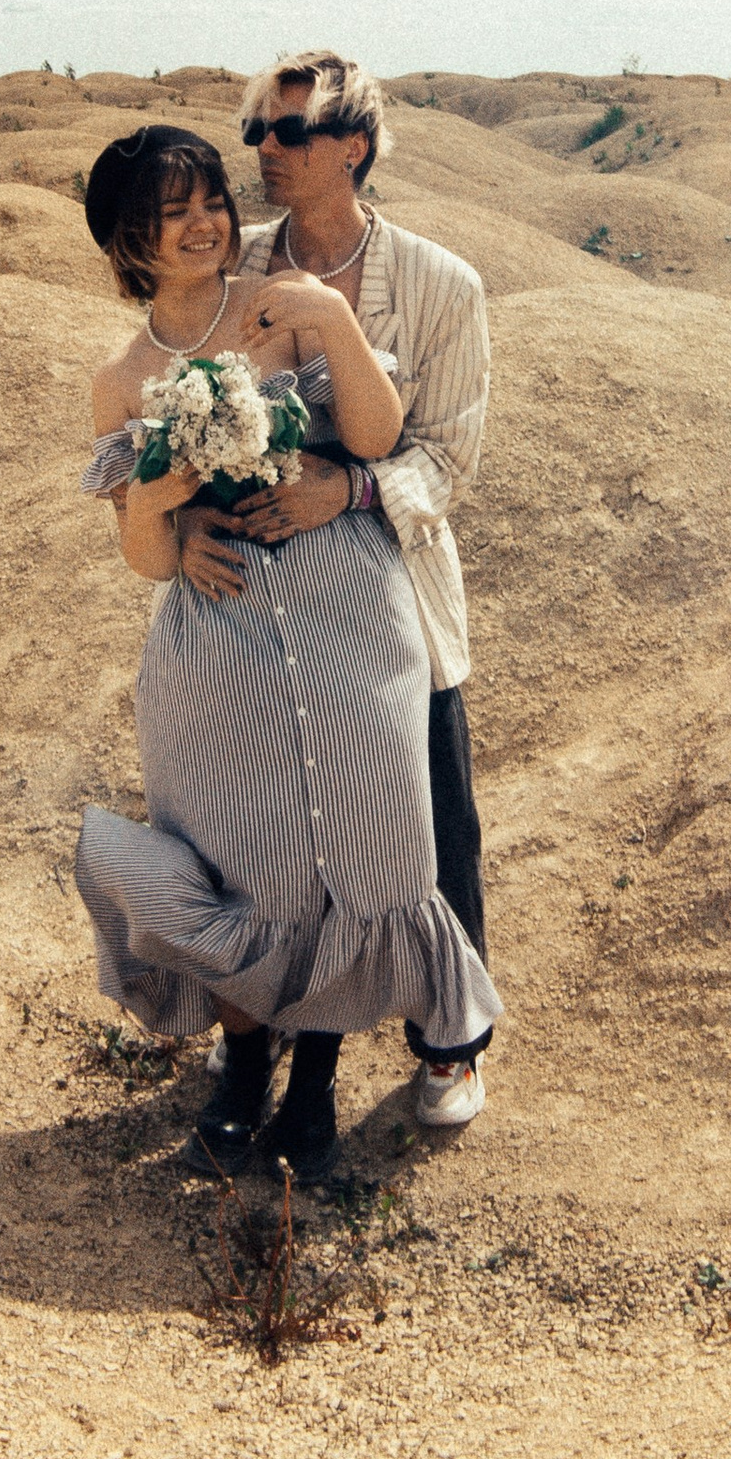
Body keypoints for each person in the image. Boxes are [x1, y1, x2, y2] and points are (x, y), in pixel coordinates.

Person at [72, 123, 500, 1185]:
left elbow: (370, 436)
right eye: (169, 215)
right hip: (214, 646)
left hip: (345, 614)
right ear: (127, 245)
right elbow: (144, 561)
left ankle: (313, 1083)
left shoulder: (284, 304)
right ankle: (240, 1065)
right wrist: (168, 505)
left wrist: (339, 329)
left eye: (208, 200)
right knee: (232, 856)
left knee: (351, 853)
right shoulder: (119, 379)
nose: (202, 224)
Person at [183, 48, 496, 1138]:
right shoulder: (237, 273)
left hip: (393, 596)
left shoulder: (441, 286)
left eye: (286, 133)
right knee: (266, 824)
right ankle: (258, 1031)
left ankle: (449, 1043)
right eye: (257, 134)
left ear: (351, 145)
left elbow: (447, 464)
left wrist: (347, 491)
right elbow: (175, 410)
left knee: (426, 819)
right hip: (259, 604)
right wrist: (178, 528)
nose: (261, 153)